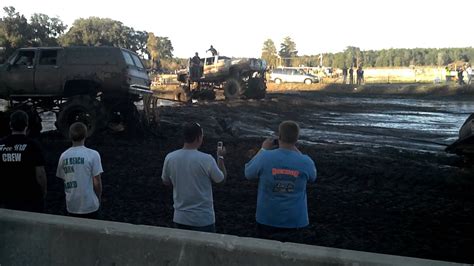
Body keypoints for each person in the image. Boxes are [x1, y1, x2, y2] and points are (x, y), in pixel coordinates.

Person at [244, 121, 317, 242]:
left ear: (279, 137)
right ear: (297, 139)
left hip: (267, 219)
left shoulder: (265, 157)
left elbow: (248, 173)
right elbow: (313, 176)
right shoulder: (305, 161)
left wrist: (263, 149)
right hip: (296, 221)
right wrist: (296, 150)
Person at [161, 122, 227, 233]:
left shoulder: (170, 157)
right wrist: (220, 157)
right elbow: (221, 180)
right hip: (203, 219)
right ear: (198, 137)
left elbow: (165, 181)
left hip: (180, 217)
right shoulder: (207, 159)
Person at [0, 110, 47, 212]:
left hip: (6, 197)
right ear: (26, 126)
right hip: (29, 197)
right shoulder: (33, 146)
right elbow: (40, 174)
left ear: (10, 125)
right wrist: (43, 192)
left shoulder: (1, 145)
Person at [56, 122, 103, 219]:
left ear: (70, 135)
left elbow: (64, 179)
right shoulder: (93, 154)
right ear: (86, 135)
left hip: (72, 205)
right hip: (90, 204)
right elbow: (97, 181)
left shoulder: (64, 156)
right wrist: (98, 197)